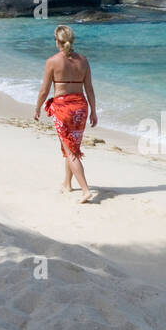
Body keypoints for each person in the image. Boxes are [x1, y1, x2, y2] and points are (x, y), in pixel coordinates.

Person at [34, 24, 98, 203]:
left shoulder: (52, 61)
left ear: (58, 41)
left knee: (71, 151)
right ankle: (67, 183)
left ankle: (85, 190)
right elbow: (90, 90)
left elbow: (44, 91)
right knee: (70, 146)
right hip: (80, 108)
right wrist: (93, 111)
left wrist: (38, 107)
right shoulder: (83, 61)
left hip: (63, 109)